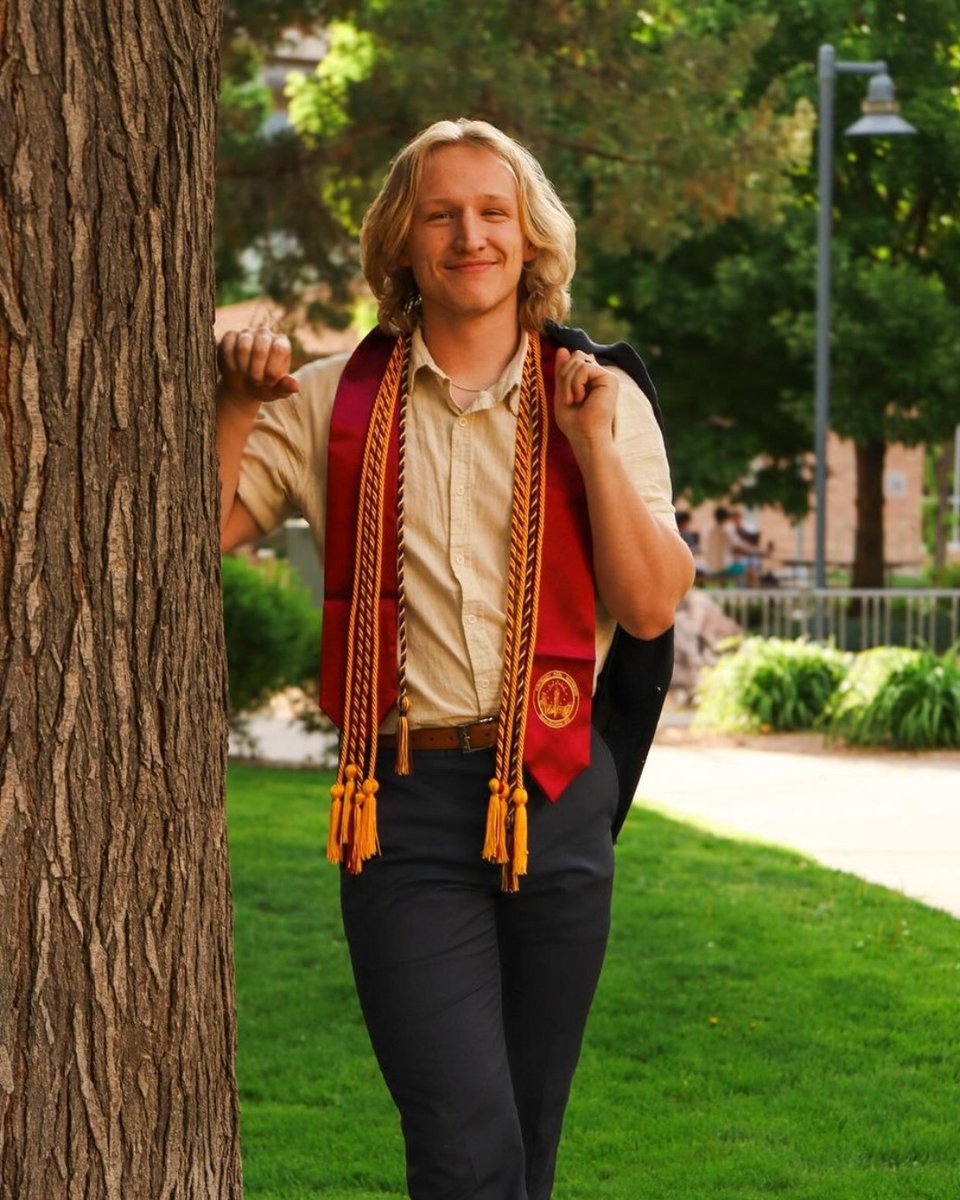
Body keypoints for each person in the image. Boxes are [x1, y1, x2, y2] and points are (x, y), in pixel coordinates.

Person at [216, 118, 694, 1200]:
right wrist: (239, 403)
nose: (469, 233)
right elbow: (199, 533)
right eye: (442, 212)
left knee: (527, 1143)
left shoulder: (599, 394)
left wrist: (589, 450)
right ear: (402, 241)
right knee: (463, 1143)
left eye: (493, 212)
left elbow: (653, 602)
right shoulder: (334, 397)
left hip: (560, 791)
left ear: (532, 241)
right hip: (401, 806)